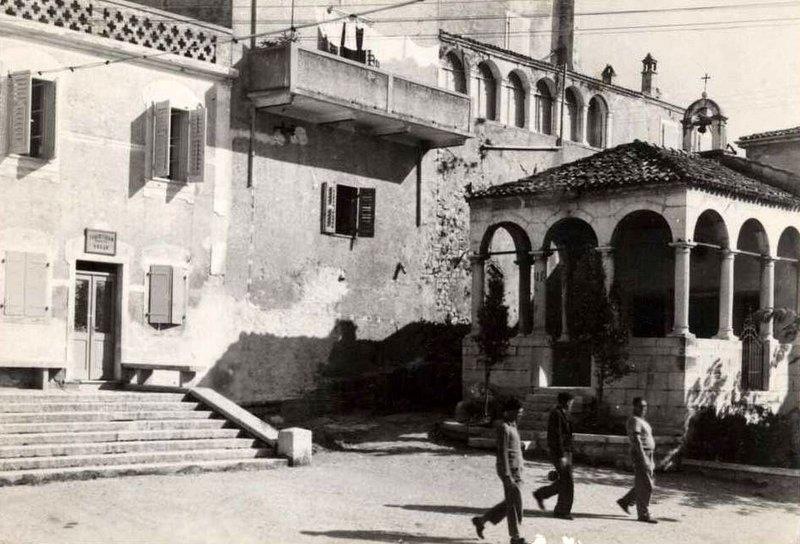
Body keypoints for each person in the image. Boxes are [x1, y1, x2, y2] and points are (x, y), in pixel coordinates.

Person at [471, 397, 527, 544]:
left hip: (517, 469)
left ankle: (481, 521)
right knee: (514, 502)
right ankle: (515, 537)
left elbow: (512, 446)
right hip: (509, 470)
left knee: (511, 500)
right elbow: (502, 452)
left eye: (521, 412)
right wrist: (507, 475)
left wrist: (521, 445)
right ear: (509, 412)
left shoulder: (513, 425)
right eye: (518, 412)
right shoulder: (503, 427)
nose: (520, 415)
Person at [532, 392, 574, 520]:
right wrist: (561, 455)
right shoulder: (556, 414)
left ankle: (541, 494)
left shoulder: (562, 413)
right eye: (571, 402)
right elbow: (556, 436)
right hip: (561, 453)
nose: (571, 404)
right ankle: (562, 511)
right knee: (568, 482)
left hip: (566, 452)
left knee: (565, 480)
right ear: (566, 402)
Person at [617, 397, 658, 524]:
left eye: (645, 406)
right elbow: (636, 440)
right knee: (646, 484)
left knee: (645, 482)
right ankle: (643, 514)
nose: (643, 409)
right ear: (634, 407)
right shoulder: (634, 420)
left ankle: (625, 501)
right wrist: (643, 457)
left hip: (648, 453)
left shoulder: (642, 421)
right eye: (641, 406)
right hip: (641, 454)